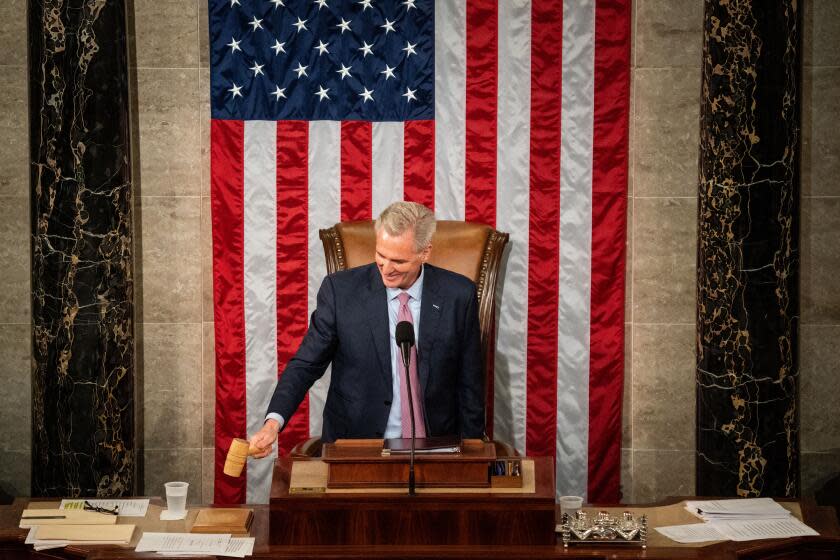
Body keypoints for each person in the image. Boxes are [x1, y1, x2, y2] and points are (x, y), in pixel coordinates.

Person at [249, 202, 484, 457]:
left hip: (435, 448)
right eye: (381, 255)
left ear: (425, 253)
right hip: (357, 447)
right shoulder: (341, 292)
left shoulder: (459, 295)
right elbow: (306, 364)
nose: (386, 268)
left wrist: (471, 457)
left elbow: (470, 384)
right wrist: (273, 423)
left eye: (398, 260)